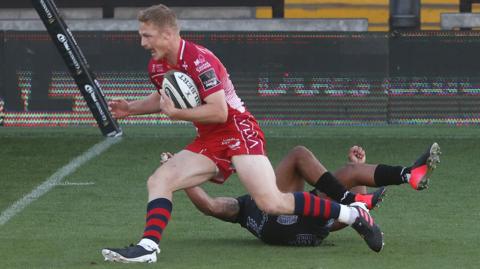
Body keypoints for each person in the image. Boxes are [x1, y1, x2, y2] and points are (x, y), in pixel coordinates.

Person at [102, 4, 387, 263]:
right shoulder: (158, 65)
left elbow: (219, 112)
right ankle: (149, 246)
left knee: (271, 202)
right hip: (210, 138)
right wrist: (132, 108)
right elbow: (165, 96)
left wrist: (176, 114)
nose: (143, 43)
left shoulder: (200, 61)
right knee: (160, 180)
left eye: (147, 36)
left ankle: (352, 214)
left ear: (166, 34)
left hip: (238, 130)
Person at [182, 143, 441, 247]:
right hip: (296, 224)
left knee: (350, 179)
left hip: (307, 231)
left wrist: (181, 179)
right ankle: (406, 174)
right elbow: (210, 206)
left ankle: (405, 177)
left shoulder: (241, 207)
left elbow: (209, 206)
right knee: (298, 155)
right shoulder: (248, 202)